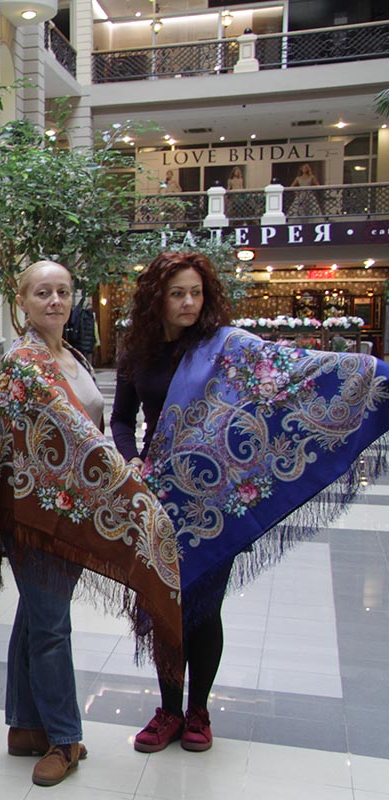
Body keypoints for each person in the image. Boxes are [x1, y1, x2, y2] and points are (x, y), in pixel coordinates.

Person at [112, 251, 389, 755]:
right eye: (177, 294)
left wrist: (370, 374)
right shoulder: (137, 352)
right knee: (165, 605)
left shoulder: (229, 348)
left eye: (196, 292)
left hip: (215, 497)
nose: (189, 302)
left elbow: (292, 372)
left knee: (204, 606)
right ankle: (168, 710)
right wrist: (130, 459)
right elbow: (122, 419)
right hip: (159, 495)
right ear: (156, 298)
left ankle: (198, 711)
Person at [0, 261, 182, 788]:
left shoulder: (72, 356)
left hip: (62, 509)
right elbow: (75, 434)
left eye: (63, 292)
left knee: (36, 615)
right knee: (50, 626)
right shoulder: (25, 362)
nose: (54, 301)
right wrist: (126, 489)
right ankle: (64, 738)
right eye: (43, 292)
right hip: (35, 513)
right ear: (22, 302)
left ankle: (25, 727)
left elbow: (93, 426)